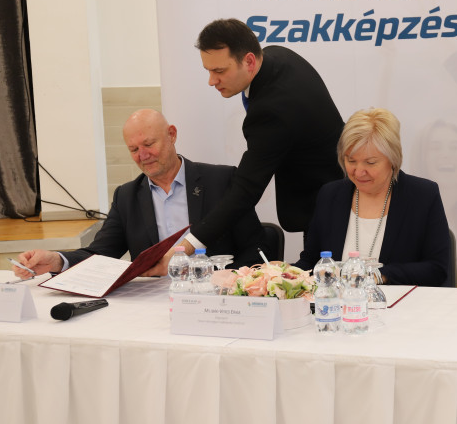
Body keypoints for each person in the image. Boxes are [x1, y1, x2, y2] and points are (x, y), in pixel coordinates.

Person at [146, 19, 344, 275]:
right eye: (208, 70)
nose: (211, 81)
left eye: (219, 71)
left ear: (249, 61)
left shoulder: (272, 111)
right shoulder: (276, 56)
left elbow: (246, 189)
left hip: (327, 211)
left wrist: (186, 247)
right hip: (331, 194)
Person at [12, 109, 267, 278]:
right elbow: (100, 254)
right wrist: (57, 260)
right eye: (133, 149)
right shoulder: (127, 197)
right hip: (152, 306)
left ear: (172, 135)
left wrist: (227, 282)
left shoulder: (221, 180)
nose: (143, 156)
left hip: (216, 299)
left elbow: (256, 249)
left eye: (148, 144)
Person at [295, 108, 450, 286]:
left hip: (399, 302)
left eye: (370, 162)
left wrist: (379, 276)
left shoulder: (423, 196)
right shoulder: (330, 195)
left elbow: (436, 269)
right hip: (337, 302)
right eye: (351, 161)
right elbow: (311, 262)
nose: (359, 172)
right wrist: (284, 273)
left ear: (393, 159)